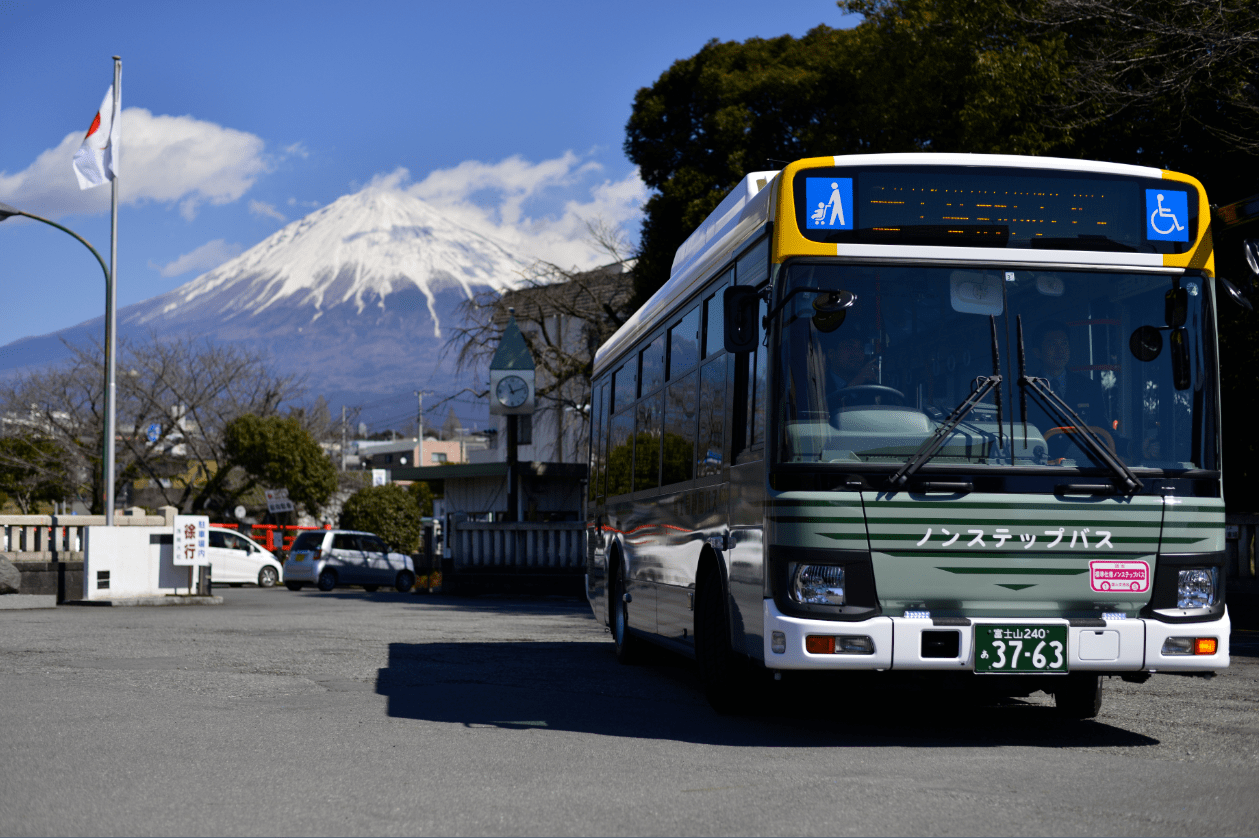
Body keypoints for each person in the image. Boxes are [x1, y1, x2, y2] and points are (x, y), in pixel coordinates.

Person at [1027, 320, 1106, 431]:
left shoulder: (1089, 387)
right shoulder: (1026, 389)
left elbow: (1103, 430)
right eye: (1052, 345)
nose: (1060, 351)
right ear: (1037, 352)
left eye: (1064, 343)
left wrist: (1130, 445)